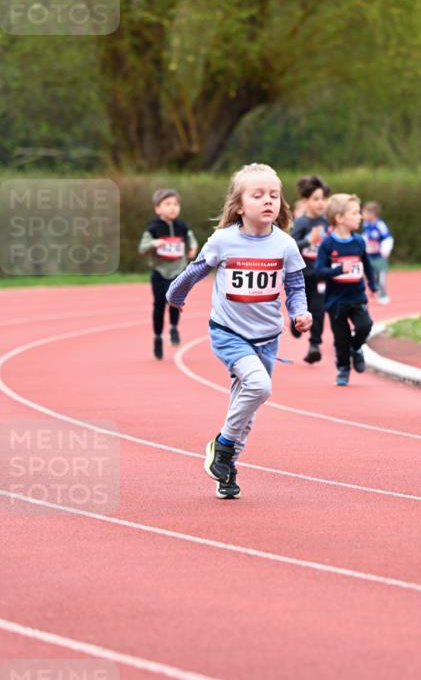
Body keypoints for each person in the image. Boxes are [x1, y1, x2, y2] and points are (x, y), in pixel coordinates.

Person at [166, 164, 312, 499]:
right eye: (258, 195)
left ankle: (226, 468)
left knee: (245, 409)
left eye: (274, 195)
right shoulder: (224, 240)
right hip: (229, 332)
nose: (268, 201)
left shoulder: (285, 245)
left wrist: (301, 312)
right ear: (239, 206)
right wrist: (175, 294)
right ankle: (223, 445)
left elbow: (295, 285)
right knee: (259, 387)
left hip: (267, 338)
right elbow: (197, 269)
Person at [315, 193, 378, 386]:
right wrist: (338, 269)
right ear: (339, 218)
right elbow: (318, 271)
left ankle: (356, 348)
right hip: (336, 302)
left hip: (357, 296)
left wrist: (372, 285)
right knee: (341, 339)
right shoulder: (328, 244)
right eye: (355, 213)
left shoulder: (359, 241)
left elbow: (366, 263)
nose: (360, 217)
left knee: (365, 326)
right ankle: (343, 368)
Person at [139, 189, 198, 360]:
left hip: (178, 271)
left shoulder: (182, 226)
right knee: (159, 305)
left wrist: (193, 247)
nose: (173, 208)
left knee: (175, 302)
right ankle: (157, 338)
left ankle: (173, 327)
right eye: (168, 204)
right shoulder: (153, 228)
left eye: (176, 204)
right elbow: (142, 247)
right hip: (160, 272)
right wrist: (154, 243)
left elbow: (191, 238)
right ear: (158, 209)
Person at [290, 174, 331, 363]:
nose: (321, 203)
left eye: (323, 199)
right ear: (305, 201)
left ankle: (314, 345)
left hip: (320, 274)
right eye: (316, 199)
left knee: (319, 309)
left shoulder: (326, 223)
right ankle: (294, 322)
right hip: (301, 275)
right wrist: (309, 241)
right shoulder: (301, 223)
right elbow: (291, 247)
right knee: (300, 307)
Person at [362, 201, 394, 304]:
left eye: (366, 213)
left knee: (381, 277)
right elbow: (366, 237)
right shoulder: (365, 225)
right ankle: (374, 289)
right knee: (370, 275)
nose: (363, 215)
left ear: (373, 214)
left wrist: (386, 249)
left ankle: (383, 294)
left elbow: (387, 238)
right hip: (369, 255)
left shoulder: (380, 225)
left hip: (379, 256)